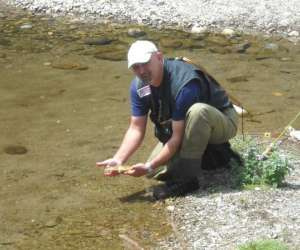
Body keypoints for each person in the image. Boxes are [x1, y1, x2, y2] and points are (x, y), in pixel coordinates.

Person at [97, 40, 239, 199]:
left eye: (145, 63)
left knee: (198, 113)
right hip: (184, 126)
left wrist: (149, 166)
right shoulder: (140, 87)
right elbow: (136, 128)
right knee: (156, 174)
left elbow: (177, 137)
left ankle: (188, 180)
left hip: (222, 120)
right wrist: (119, 160)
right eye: (136, 67)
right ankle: (213, 157)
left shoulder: (184, 84)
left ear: (159, 57)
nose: (142, 71)